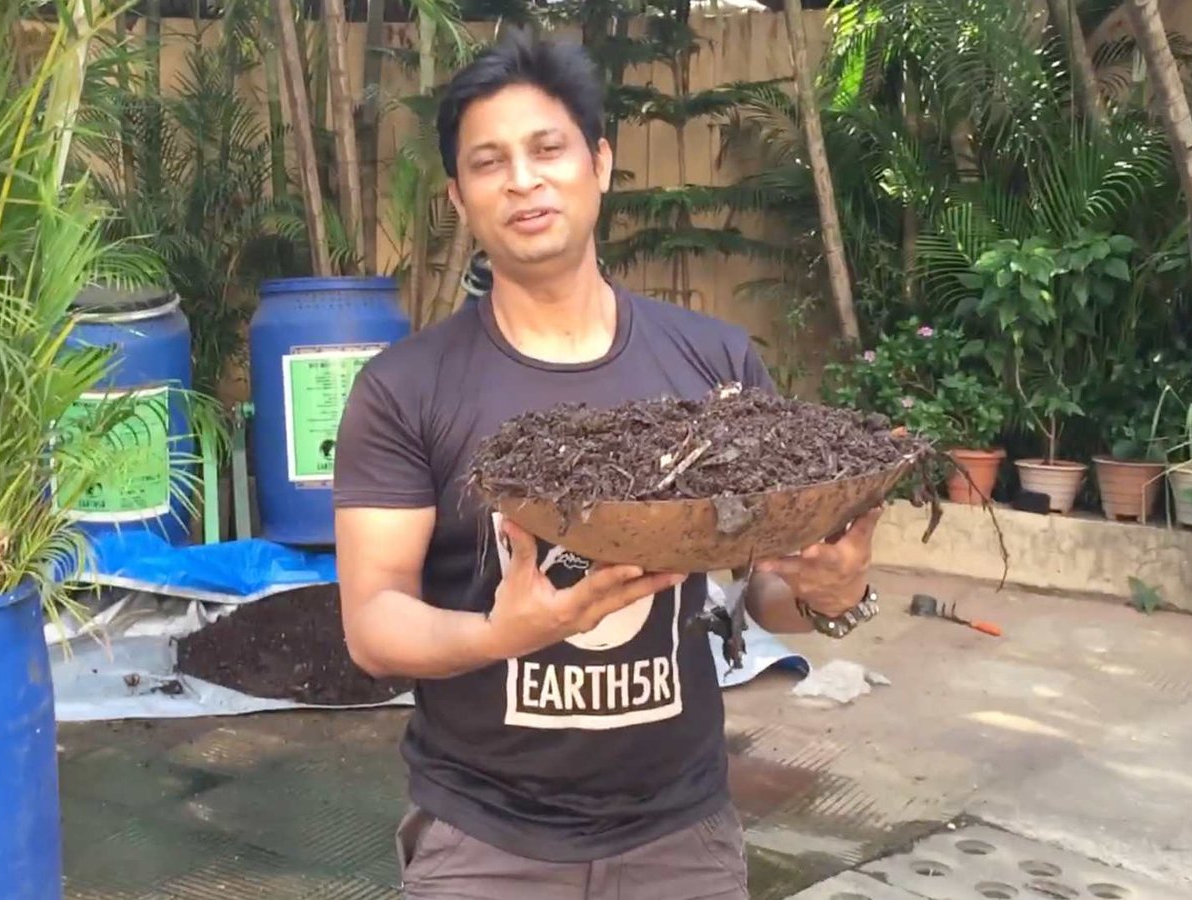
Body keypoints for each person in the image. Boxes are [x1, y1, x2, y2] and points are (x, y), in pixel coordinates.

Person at [331, 30, 883, 900]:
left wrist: (833, 590)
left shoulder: (715, 366)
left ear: (599, 162)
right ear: (458, 197)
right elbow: (372, 625)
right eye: (489, 162)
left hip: (681, 836)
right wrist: (498, 635)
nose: (523, 179)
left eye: (547, 148)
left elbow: (763, 591)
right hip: (484, 841)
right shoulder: (405, 390)